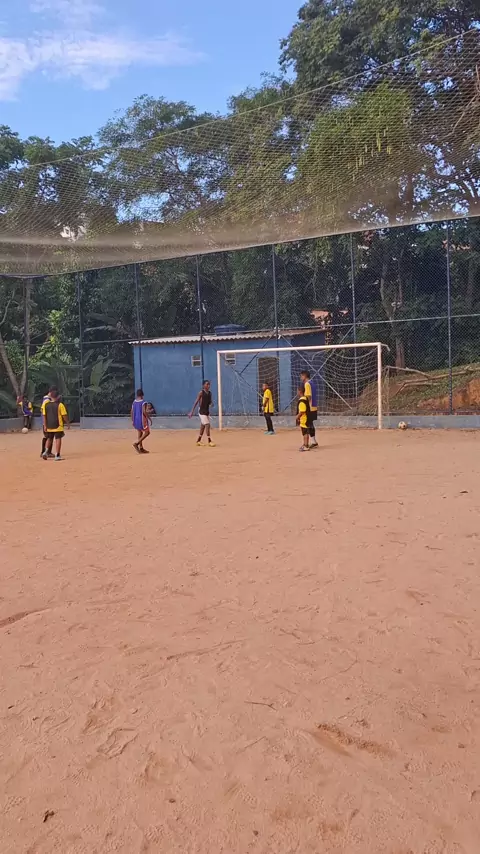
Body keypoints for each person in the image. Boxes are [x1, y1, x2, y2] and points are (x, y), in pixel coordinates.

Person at [41, 387, 69, 460]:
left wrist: (45, 425)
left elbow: (44, 416)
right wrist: (67, 423)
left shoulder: (46, 405)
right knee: (58, 439)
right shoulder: (60, 405)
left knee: (49, 438)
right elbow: (64, 415)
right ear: (58, 397)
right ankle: (57, 455)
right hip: (58, 425)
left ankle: (45, 452)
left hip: (49, 426)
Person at [190, 380, 216, 447]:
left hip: (206, 412)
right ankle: (209, 441)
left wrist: (211, 404)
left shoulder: (210, 393)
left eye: (209, 384)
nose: (208, 386)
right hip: (201, 412)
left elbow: (210, 402)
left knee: (203, 426)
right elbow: (196, 402)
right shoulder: (201, 393)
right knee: (207, 425)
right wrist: (192, 411)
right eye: (207, 384)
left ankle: (198, 441)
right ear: (203, 385)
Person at [300, 369, 318, 449]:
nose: (301, 378)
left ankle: (308, 443)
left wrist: (304, 404)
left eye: (301, 376)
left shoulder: (307, 384)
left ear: (304, 376)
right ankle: (313, 441)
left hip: (309, 407)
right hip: (313, 406)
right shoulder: (312, 383)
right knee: (310, 424)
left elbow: (308, 396)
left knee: (307, 424)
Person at [131, 389, 151, 454]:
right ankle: (136, 443)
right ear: (142, 395)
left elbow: (131, 411)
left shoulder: (134, 402)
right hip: (142, 420)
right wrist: (149, 418)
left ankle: (141, 448)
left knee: (140, 432)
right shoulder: (143, 402)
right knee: (147, 432)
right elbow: (144, 412)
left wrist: (132, 420)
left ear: (137, 395)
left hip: (136, 420)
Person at [296, 383, 312, 452]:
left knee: (305, 433)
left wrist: (297, 416)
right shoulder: (305, 398)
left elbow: (302, 411)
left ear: (300, 391)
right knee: (306, 432)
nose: (297, 392)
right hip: (307, 418)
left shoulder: (301, 401)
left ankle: (306, 446)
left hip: (304, 419)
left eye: (297, 391)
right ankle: (306, 444)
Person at [40, 388, 54, 458]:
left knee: (48, 436)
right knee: (49, 437)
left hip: (46, 421)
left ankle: (46, 452)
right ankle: (46, 452)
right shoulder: (47, 400)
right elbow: (43, 411)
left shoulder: (46, 399)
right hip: (47, 422)